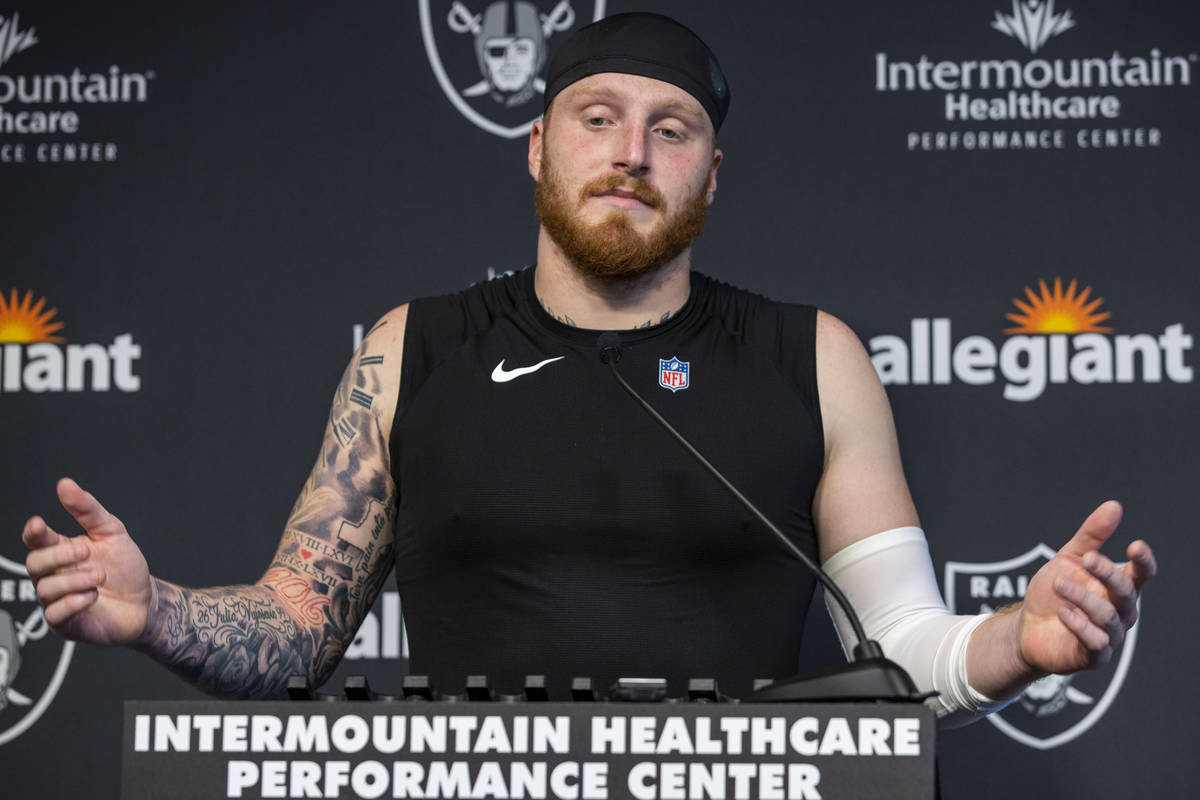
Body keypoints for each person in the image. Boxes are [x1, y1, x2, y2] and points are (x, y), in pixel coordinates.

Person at [21, 13, 1154, 721]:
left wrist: (1018, 638)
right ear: (537, 147)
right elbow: (296, 623)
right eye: (597, 116)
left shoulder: (811, 357)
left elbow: (905, 648)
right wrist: (154, 609)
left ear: (714, 176)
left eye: (672, 130)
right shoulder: (412, 348)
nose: (629, 153)